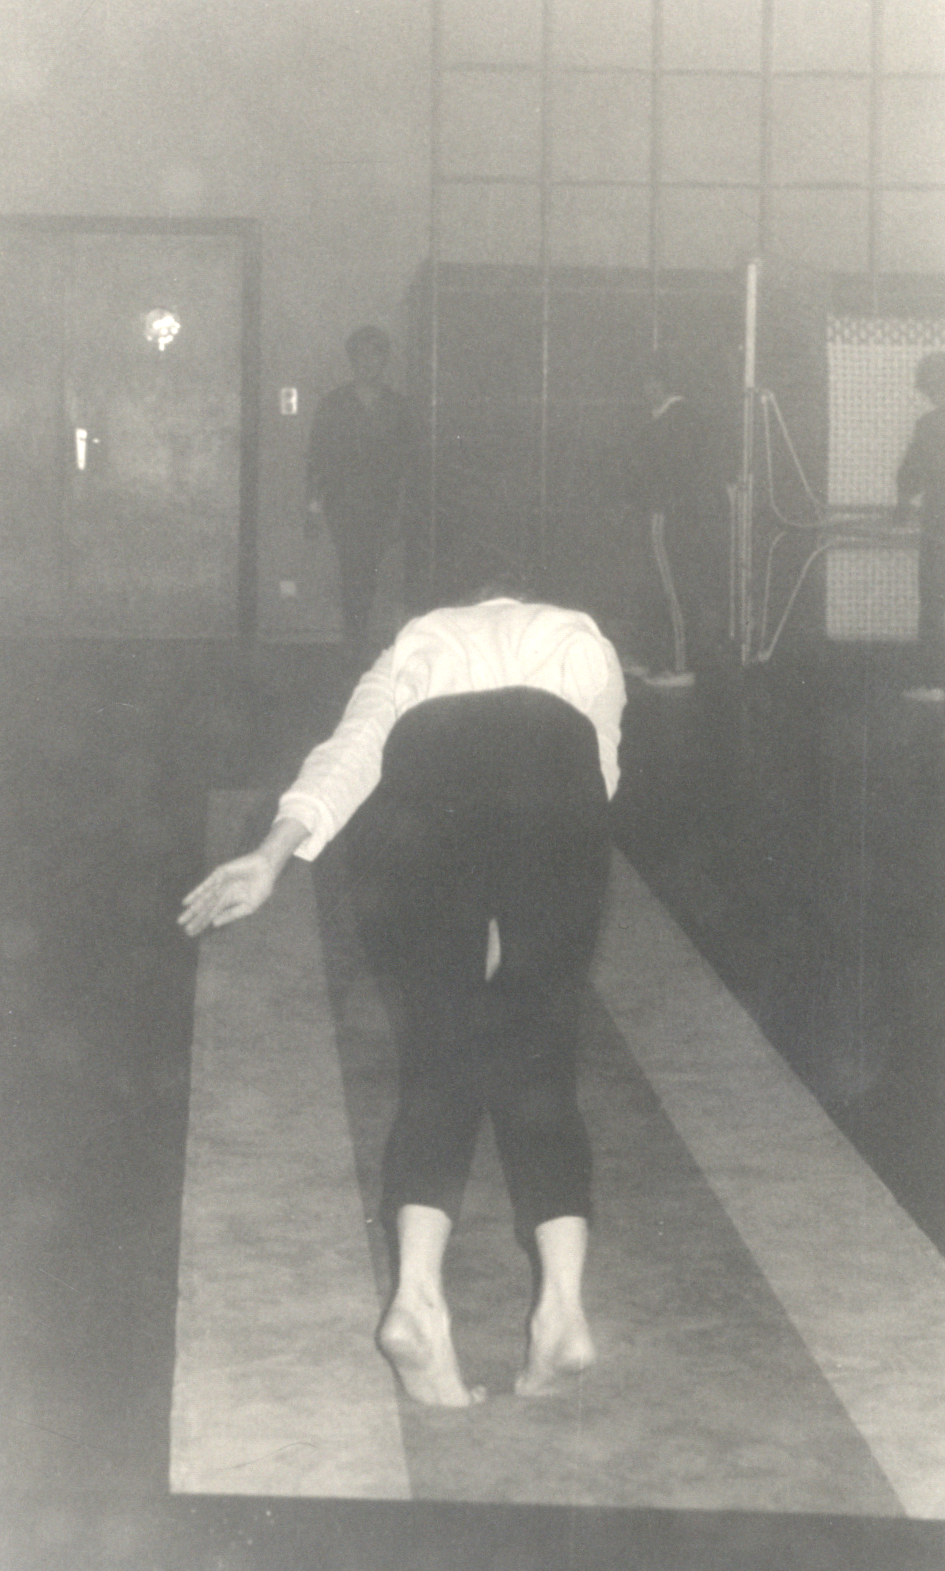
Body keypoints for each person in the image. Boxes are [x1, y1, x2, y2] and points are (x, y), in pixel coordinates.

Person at [180, 594, 627, 1407]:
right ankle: (563, 1308)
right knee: (542, 1049)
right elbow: (600, 773)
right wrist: (522, 923)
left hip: (428, 779)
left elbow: (351, 753)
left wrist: (271, 857)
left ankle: (418, 1298)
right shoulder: (583, 641)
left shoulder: (418, 641)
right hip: (557, 772)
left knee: (439, 1050)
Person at [306, 326, 417, 656]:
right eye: (361, 355)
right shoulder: (334, 403)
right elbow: (317, 457)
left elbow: (409, 461)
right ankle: (354, 643)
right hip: (344, 503)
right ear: (351, 359)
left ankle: (366, 643)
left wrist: (403, 508)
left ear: (385, 360)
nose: (368, 362)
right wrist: (313, 506)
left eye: (375, 354)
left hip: (384, 504)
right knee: (353, 569)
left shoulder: (398, 406)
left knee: (374, 572)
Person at [628, 360, 716, 687]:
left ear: (665, 384)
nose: (645, 390)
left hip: (667, 515)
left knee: (673, 589)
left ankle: (681, 667)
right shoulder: (664, 418)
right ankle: (658, 659)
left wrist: (659, 503)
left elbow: (673, 472)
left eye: (651, 383)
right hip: (664, 513)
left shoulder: (677, 419)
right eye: (643, 384)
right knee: (659, 588)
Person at [896, 351, 945, 704]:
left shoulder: (931, 425)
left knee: (935, 602)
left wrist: (901, 506)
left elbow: (910, 475)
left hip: (938, 529)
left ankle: (936, 683)